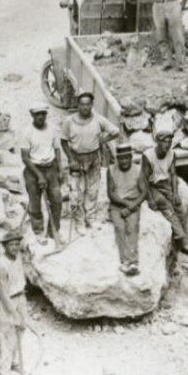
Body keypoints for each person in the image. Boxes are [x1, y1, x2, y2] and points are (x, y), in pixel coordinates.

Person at [60, 92, 120, 232]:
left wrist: (102, 140)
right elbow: (63, 141)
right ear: (78, 105)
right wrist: (71, 158)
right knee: (77, 192)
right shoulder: (69, 121)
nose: (85, 107)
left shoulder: (98, 119)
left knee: (92, 191)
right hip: (76, 159)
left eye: (88, 104)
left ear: (91, 105)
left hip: (94, 158)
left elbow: (115, 131)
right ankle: (79, 222)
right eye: (82, 104)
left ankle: (90, 219)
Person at [141, 129, 188, 259]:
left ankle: (185, 238)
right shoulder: (148, 156)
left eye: (169, 141)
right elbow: (144, 180)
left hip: (165, 183)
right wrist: (150, 199)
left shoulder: (171, 154)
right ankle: (182, 239)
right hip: (152, 185)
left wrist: (175, 192)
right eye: (164, 142)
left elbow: (173, 174)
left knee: (178, 207)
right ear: (158, 142)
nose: (167, 145)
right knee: (165, 205)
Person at [20, 102, 64, 246]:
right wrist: (39, 176)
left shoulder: (52, 129)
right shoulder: (27, 132)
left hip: (50, 167)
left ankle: (54, 230)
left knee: (57, 199)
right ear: (32, 115)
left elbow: (57, 150)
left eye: (43, 114)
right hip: (33, 169)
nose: (41, 117)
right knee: (35, 202)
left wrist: (61, 169)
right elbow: (25, 158)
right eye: (37, 114)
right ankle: (38, 231)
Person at [107, 143, 148, 276]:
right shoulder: (111, 170)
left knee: (132, 226)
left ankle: (134, 262)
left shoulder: (137, 169)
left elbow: (143, 192)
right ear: (117, 159)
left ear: (130, 157)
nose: (124, 161)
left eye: (126, 158)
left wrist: (131, 207)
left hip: (133, 203)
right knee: (120, 228)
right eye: (121, 158)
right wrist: (125, 205)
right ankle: (125, 262)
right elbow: (111, 193)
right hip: (117, 204)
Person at [0, 230, 29, 375]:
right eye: (11, 244)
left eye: (17, 244)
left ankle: (14, 363)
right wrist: (14, 314)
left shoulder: (18, 257)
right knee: (8, 335)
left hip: (21, 298)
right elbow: (3, 294)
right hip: (7, 302)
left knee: (20, 331)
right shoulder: (1, 266)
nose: (15, 247)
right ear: (5, 246)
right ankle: (4, 372)